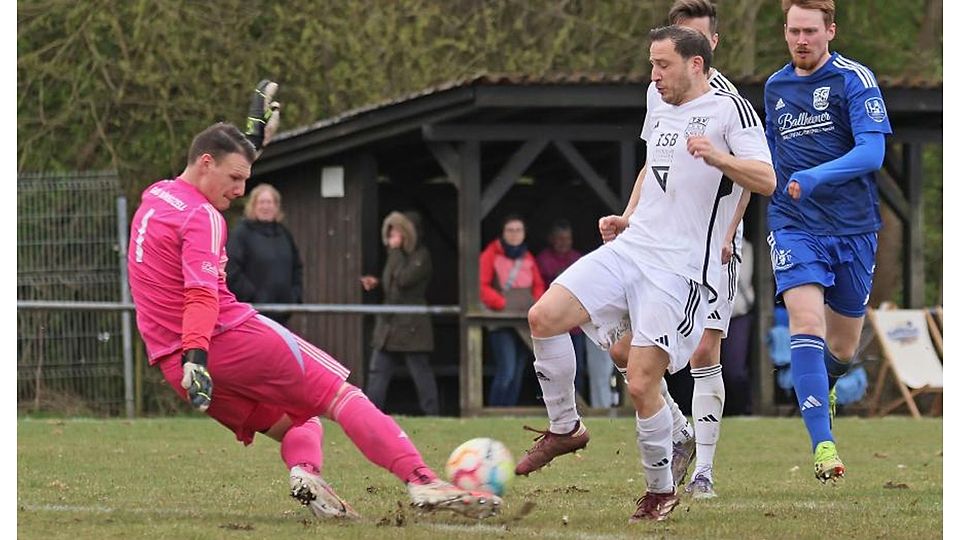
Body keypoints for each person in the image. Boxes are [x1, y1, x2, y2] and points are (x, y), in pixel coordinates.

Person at [126, 114, 500, 519]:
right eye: (235, 178)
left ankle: (307, 476)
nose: (241, 190)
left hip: (173, 363)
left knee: (302, 423)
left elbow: (218, 161)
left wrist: (252, 141)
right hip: (222, 341)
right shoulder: (203, 218)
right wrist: (198, 354)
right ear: (205, 163)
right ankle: (423, 480)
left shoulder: (158, 196)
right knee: (342, 395)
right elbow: (200, 293)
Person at [515, 26, 774, 522]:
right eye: (652, 65)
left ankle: (659, 491)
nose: (654, 75)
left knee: (639, 382)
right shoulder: (658, 103)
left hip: (680, 270)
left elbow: (766, 178)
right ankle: (566, 428)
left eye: (663, 65)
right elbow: (654, 167)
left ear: (695, 64)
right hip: (632, 248)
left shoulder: (731, 110)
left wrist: (718, 156)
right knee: (544, 315)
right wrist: (627, 216)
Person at [764, 0, 891, 483]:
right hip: (793, 223)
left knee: (841, 347)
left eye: (810, 31)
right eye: (793, 31)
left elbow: (872, 152)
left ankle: (830, 381)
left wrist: (815, 176)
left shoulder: (854, 80)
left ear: (829, 32)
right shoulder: (775, 87)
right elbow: (770, 165)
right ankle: (823, 445)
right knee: (805, 320)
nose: (801, 40)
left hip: (854, 229)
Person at [360, 211, 439, 416]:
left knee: (420, 372)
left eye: (396, 231)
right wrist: (376, 283)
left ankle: (432, 414)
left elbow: (403, 281)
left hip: (411, 324)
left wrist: (394, 253)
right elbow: (390, 286)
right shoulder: (397, 256)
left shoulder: (421, 255)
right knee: (378, 371)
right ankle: (369, 414)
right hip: (389, 325)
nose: (392, 236)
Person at [480, 214, 545, 407]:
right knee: (506, 371)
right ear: (503, 233)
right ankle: (494, 410)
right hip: (501, 322)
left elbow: (539, 285)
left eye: (519, 230)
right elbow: (481, 286)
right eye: (510, 230)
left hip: (524, 321)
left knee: (517, 372)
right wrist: (500, 303)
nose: (515, 234)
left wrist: (536, 303)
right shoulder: (489, 255)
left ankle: (508, 412)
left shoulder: (528, 257)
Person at [226, 183, 303, 327]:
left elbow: (297, 267)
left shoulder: (284, 234)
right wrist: (253, 297)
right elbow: (231, 270)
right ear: (253, 206)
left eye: (269, 202)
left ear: (276, 206)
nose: (266, 207)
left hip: (282, 315)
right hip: (252, 315)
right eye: (261, 202)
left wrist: (294, 297)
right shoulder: (242, 234)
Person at [535, 219, 588, 399]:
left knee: (577, 367)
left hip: (575, 325)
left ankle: (578, 404)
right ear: (552, 239)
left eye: (567, 239)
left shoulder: (578, 260)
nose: (563, 243)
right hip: (552, 324)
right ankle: (554, 405)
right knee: (551, 369)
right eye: (560, 239)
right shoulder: (543, 260)